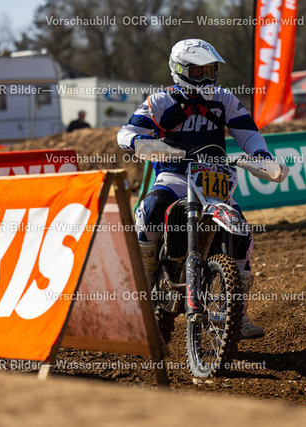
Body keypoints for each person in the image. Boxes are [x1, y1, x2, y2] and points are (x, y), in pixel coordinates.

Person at [117, 39, 273, 339]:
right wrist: (140, 141)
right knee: (150, 211)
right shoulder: (161, 101)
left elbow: (248, 132)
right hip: (175, 176)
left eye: (210, 70)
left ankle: (238, 313)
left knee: (242, 234)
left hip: (214, 180)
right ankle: (145, 285)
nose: (205, 77)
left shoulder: (224, 99)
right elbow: (127, 131)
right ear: (179, 70)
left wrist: (260, 155)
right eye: (197, 71)